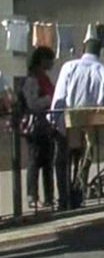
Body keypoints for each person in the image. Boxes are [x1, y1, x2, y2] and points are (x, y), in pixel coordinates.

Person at [51, 26, 104, 210]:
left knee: (62, 162)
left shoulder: (69, 67)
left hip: (66, 124)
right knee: (82, 162)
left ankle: (63, 198)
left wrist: (53, 122)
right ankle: (78, 196)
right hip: (90, 125)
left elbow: (58, 99)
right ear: (99, 51)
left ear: (83, 48)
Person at [22, 46, 55, 209]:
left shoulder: (45, 78)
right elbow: (32, 103)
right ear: (42, 60)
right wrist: (49, 99)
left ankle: (49, 196)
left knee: (48, 162)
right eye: (50, 59)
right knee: (35, 161)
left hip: (46, 126)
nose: (52, 63)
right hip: (35, 126)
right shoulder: (32, 79)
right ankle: (32, 197)